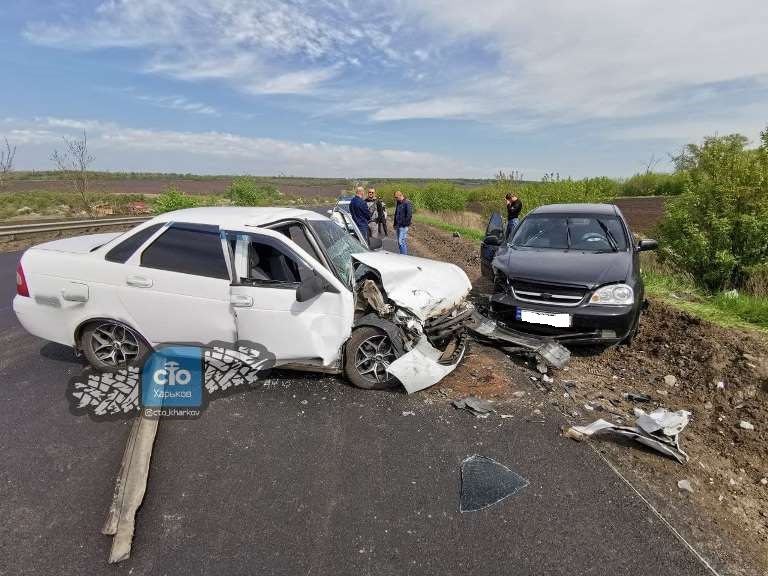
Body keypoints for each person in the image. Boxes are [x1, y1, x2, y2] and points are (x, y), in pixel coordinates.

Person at [393, 190, 412, 255]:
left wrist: (404, 224)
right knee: (399, 242)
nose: (395, 199)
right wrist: (395, 224)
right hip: (398, 225)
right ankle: (402, 255)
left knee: (401, 241)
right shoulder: (399, 202)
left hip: (403, 226)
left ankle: (404, 257)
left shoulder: (407, 203)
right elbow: (396, 213)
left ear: (400, 195)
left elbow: (409, 215)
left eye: (396, 197)